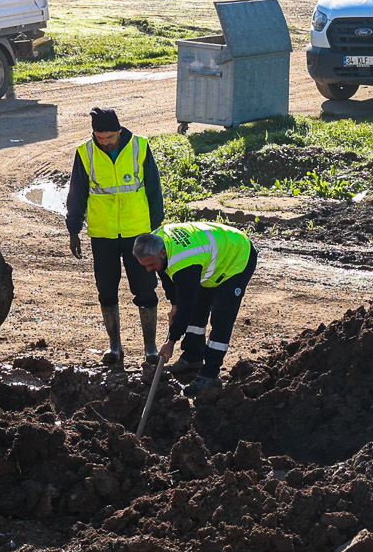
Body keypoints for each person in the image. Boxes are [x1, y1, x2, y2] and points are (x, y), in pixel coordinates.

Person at [65, 106, 164, 370]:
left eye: (109, 137)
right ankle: (115, 347)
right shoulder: (85, 153)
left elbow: (154, 189)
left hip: (137, 233)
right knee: (106, 291)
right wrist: (73, 228)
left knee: (145, 290)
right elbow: (77, 192)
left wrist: (153, 228)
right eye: (100, 138)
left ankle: (150, 349)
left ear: (119, 131)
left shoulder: (140, 147)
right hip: (103, 234)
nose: (105, 142)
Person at [131, 221, 258, 395]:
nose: (148, 270)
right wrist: (174, 304)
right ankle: (192, 357)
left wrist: (171, 342)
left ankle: (210, 373)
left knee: (221, 316)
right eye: (144, 265)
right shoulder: (158, 239)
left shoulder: (185, 263)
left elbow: (186, 307)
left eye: (151, 264)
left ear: (162, 253)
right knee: (199, 308)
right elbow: (165, 274)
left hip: (236, 257)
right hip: (209, 258)